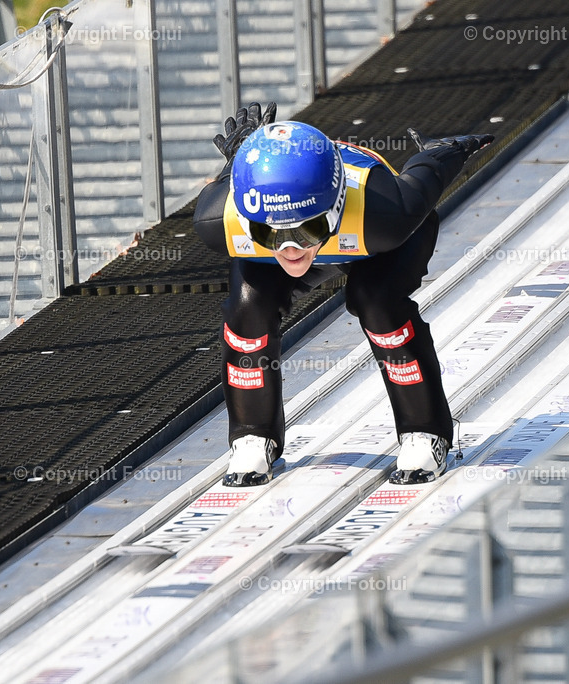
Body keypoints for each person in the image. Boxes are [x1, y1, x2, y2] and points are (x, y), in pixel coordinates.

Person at [193, 102, 493, 487]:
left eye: (307, 228)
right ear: (250, 219)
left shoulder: (386, 212)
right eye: (271, 233)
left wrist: (445, 149)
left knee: (378, 301)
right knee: (247, 310)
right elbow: (233, 182)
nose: (290, 249)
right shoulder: (218, 220)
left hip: (373, 243)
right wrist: (242, 157)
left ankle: (425, 430)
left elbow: (427, 172)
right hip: (338, 231)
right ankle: (253, 434)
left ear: (336, 207)